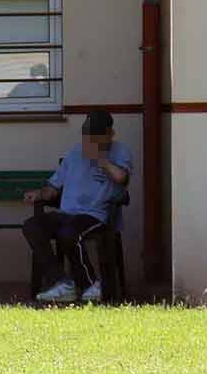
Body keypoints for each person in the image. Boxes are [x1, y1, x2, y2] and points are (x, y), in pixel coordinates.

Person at [23, 109, 132, 304]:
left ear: (110, 134)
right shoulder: (74, 154)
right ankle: (62, 283)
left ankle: (91, 284)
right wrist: (40, 194)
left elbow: (122, 178)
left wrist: (100, 159)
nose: (90, 140)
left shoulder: (120, 151)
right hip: (67, 213)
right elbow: (54, 188)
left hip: (96, 215)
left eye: (96, 135)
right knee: (32, 226)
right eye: (88, 135)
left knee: (69, 232)